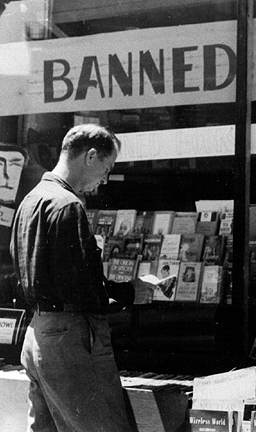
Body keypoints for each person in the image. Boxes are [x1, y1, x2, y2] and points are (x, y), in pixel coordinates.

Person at [10, 124, 156, 432]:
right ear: (90, 156)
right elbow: (84, 287)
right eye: (106, 168)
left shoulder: (30, 201)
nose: (103, 180)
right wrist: (130, 291)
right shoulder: (68, 205)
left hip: (38, 334)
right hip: (73, 339)